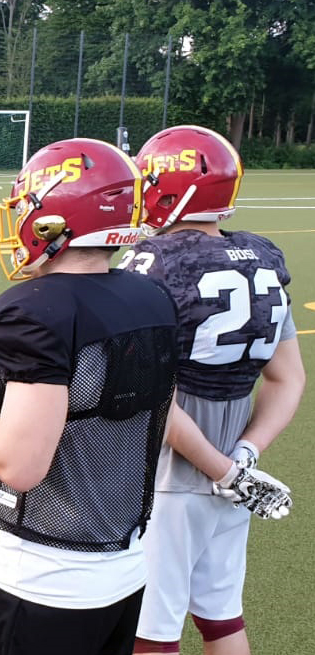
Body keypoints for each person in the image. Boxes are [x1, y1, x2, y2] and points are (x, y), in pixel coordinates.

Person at [0, 138, 179, 655]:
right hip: (127, 569)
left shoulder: (34, 311)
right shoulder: (151, 296)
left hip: (47, 575)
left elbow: (19, 466)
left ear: (53, 221)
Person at [121, 125, 302, 655]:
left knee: (152, 631)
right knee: (222, 619)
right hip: (238, 464)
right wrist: (243, 457)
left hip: (175, 469)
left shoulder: (154, 263)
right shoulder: (261, 260)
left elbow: (153, 392)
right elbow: (289, 377)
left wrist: (218, 467)